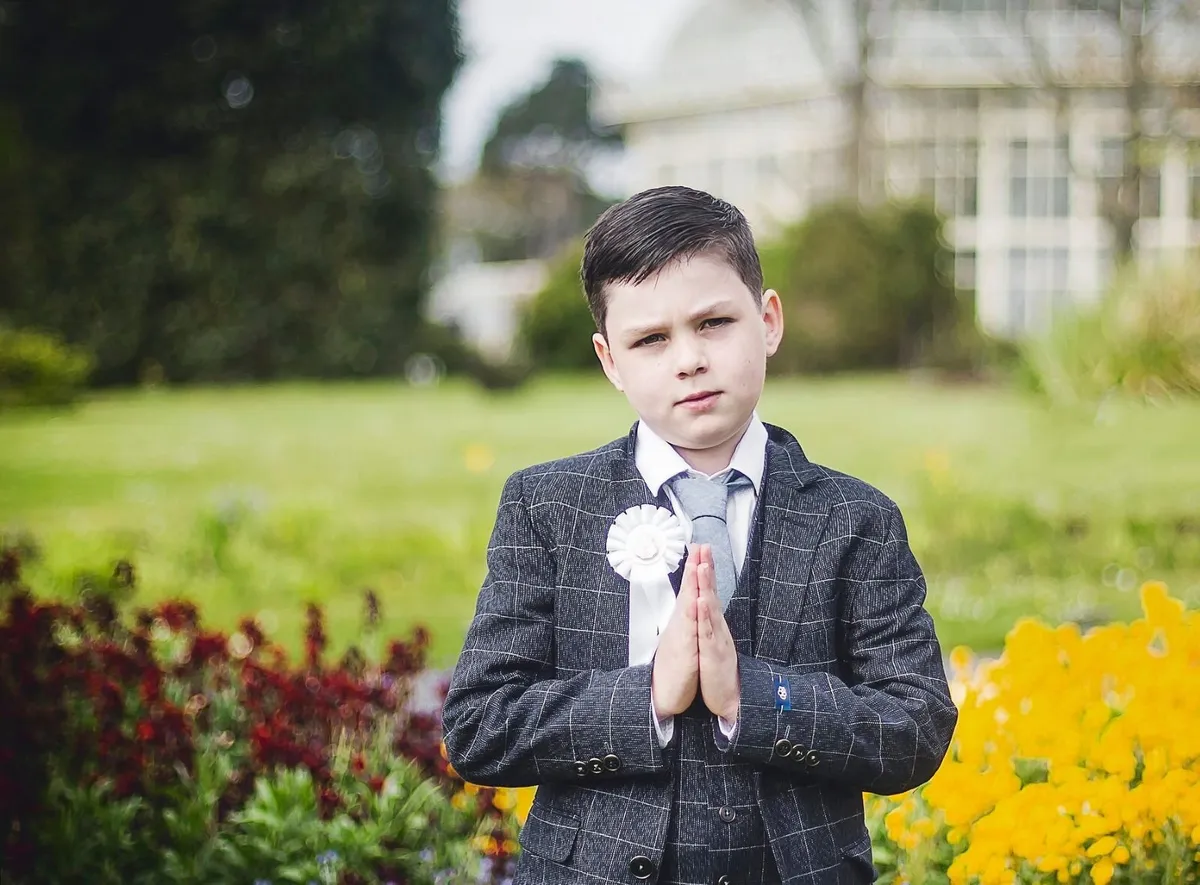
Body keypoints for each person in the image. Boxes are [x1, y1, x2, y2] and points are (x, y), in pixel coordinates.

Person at [442, 185, 958, 885]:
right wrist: (648, 695)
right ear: (610, 361)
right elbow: (479, 726)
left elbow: (916, 726)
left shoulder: (856, 518)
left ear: (767, 321)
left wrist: (752, 695)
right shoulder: (547, 507)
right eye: (650, 339)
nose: (688, 359)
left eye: (713, 322)